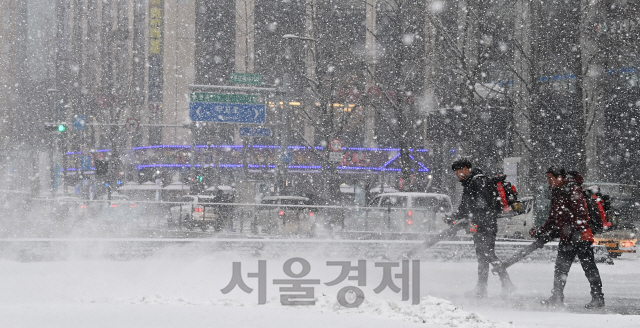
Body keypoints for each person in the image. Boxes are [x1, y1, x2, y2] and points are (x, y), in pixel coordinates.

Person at [533, 167, 604, 308]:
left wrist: (573, 229)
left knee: (589, 268)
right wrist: (540, 230)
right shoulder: (557, 192)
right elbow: (553, 217)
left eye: (550, 178)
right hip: (567, 238)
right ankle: (557, 297)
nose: (548, 181)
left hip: (581, 237)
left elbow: (581, 214)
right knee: (560, 268)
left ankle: (598, 298)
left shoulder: (573, 190)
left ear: (560, 177)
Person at [451, 158, 516, 298]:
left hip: (486, 226)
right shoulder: (469, 184)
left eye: (458, 171)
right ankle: (483, 288)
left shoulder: (478, 182)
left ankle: (505, 283)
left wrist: (475, 222)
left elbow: (484, 207)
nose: (457, 174)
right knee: (483, 257)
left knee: (487, 254)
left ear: (466, 169)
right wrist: (453, 217)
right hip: (481, 226)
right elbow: (465, 208)